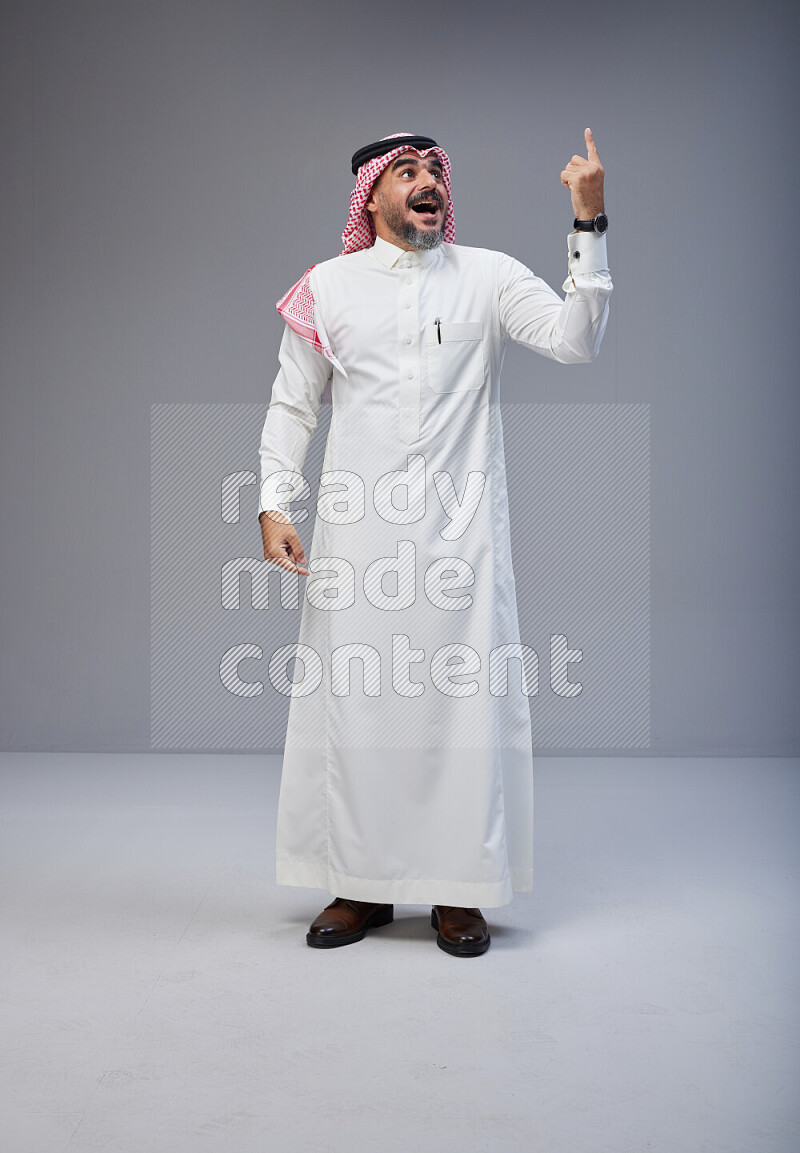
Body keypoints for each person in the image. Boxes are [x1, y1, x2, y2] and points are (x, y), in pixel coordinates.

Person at [258, 130, 612, 957]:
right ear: (370, 196)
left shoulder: (486, 276)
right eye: (407, 173)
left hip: (462, 543)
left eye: (435, 173)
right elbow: (293, 404)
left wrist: (588, 223)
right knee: (357, 707)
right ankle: (361, 884)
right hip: (357, 539)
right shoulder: (328, 287)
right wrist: (275, 502)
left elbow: (576, 338)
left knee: (460, 713)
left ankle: (459, 890)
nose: (428, 185)